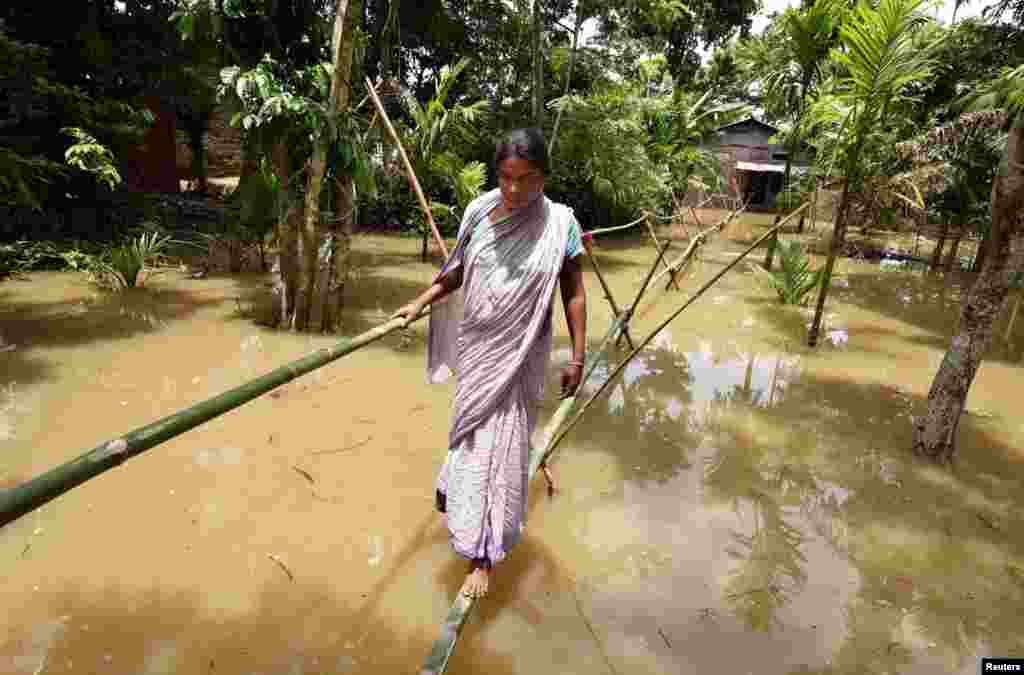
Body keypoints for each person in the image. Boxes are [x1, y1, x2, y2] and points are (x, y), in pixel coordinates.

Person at [392, 128, 588, 599]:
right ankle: (455, 495)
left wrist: (578, 356)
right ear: (496, 174)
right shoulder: (479, 212)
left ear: (544, 176)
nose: (516, 190)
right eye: (506, 178)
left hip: (521, 355)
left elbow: (574, 292)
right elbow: (456, 272)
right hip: (478, 348)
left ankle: (484, 554)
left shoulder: (561, 225)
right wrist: (420, 301)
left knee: (502, 450)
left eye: (528, 179)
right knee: (469, 432)